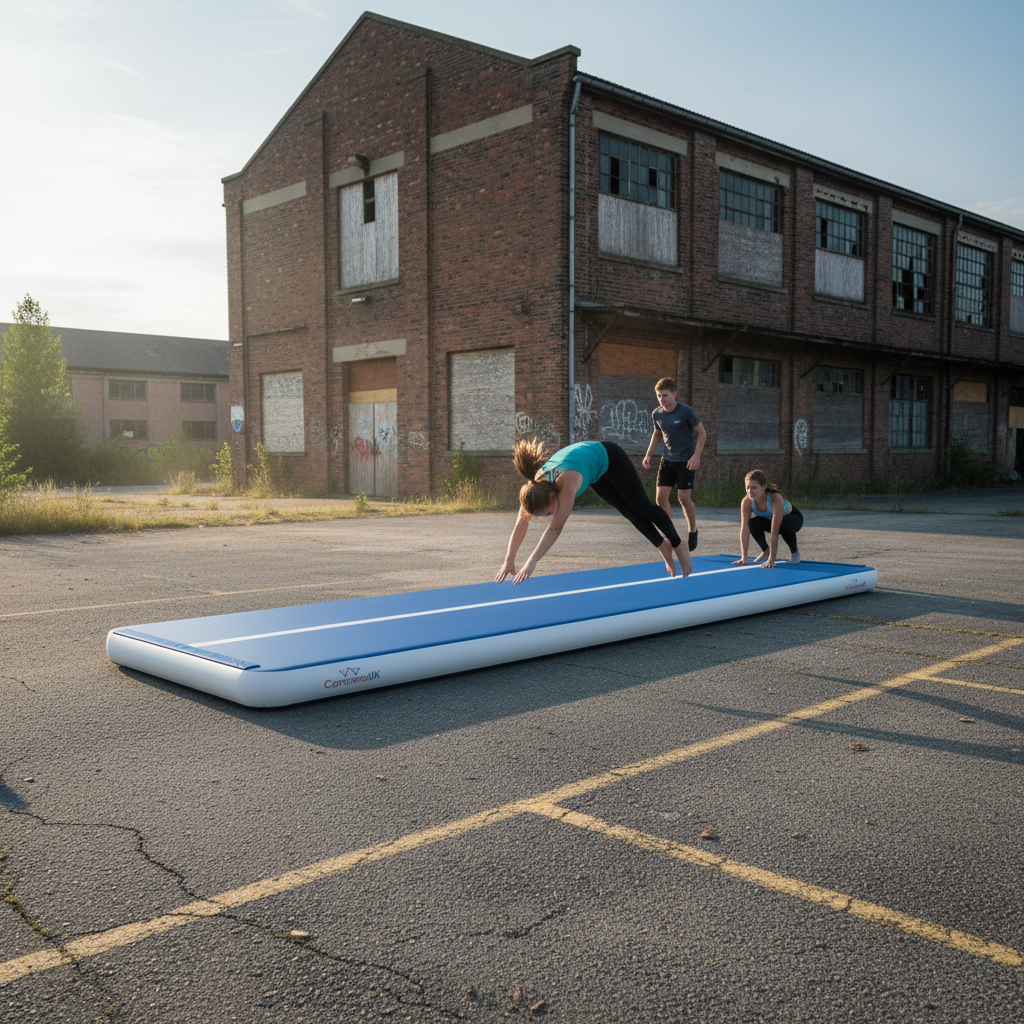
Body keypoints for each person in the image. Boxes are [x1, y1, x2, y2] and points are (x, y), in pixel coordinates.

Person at [496, 437, 692, 585]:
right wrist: (509, 560)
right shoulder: (533, 490)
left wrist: (531, 562)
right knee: (628, 512)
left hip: (610, 457)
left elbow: (555, 528)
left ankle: (677, 544)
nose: (548, 517)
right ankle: (663, 546)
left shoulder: (567, 482)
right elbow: (522, 522)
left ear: (552, 497)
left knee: (643, 507)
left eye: (546, 513)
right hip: (595, 471)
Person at [641, 378, 705, 552]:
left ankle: (693, 530)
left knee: (683, 498)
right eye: (659, 396)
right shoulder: (657, 414)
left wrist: (696, 456)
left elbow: (702, 433)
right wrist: (648, 455)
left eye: (665, 395)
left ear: (674, 394)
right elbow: (657, 434)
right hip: (667, 460)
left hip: (686, 460)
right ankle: (668, 532)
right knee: (660, 498)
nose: (662, 399)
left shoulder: (686, 412)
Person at [731, 469, 803, 569]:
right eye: (747, 487)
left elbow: (774, 530)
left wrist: (771, 559)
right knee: (752, 523)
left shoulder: (775, 498)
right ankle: (766, 551)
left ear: (764, 487)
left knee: (783, 524)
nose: (750, 491)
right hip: (771, 520)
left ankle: (795, 552)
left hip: (793, 519)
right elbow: (744, 529)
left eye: (754, 488)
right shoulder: (746, 501)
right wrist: (744, 557)